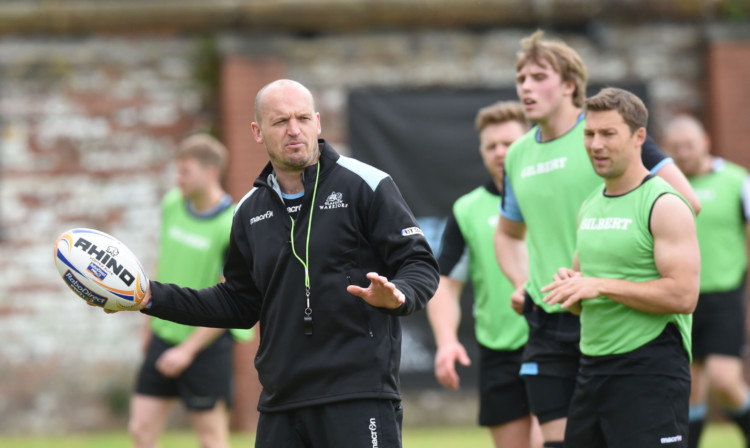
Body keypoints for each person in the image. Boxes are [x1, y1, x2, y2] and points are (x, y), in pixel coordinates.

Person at [111, 79, 439, 448]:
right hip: (281, 404)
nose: (294, 130)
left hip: (358, 396)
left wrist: (400, 295)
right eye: (280, 121)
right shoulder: (248, 211)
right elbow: (237, 303)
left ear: (317, 122)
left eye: (302, 118)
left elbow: (419, 262)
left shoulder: (367, 184)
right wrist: (148, 296)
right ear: (257, 131)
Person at [493, 30, 701, 448]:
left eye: (538, 76)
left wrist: (605, 277)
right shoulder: (519, 156)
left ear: (569, 84)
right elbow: (508, 234)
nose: (526, 86)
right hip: (558, 312)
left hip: (631, 328)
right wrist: (524, 283)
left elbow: (684, 203)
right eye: (521, 78)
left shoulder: (612, 135)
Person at [542, 87, 699, 447]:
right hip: (592, 370)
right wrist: (572, 285)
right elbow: (584, 297)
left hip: (650, 369)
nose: (596, 144)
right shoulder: (590, 206)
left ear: (638, 137)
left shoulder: (664, 203)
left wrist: (600, 285)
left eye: (608, 133)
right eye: (589, 134)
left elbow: (683, 294)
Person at [427, 101, 541, 448]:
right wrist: (447, 342)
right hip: (499, 352)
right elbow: (444, 284)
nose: (500, 152)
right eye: (491, 146)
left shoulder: (550, 193)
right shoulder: (467, 209)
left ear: (530, 141)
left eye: (509, 143)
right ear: (481, 151)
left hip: (554, 340)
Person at [129, 134, 254, 448]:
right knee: (140, 430)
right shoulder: (173, 203)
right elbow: (163, 261)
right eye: (177, 170)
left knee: (211, 439)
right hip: (162, 335)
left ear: (210, 173)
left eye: (185, 171)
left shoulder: (233, 223)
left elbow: (234, 297)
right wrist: (147, 326)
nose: (178, 178)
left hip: (206, 345)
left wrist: (188, 351)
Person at [662, 115, 750, 448]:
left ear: (706, 142)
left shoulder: (737, 181)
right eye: (676, 148)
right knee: (690, 389)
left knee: (725, 380)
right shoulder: (663, 186)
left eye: (689, 145)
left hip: (724, 295)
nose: (683, 153)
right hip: (679, 297)